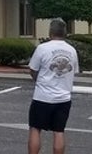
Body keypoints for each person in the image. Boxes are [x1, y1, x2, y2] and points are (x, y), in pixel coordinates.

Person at [27, 18, 79, 154]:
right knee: (59, 131)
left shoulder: (42, 48)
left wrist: (38, 80)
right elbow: (74, 71)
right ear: (65, 33)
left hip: (42, 97)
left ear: (50, 32)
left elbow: (32, 69)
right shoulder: (72, 51)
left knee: (35, 128)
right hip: (63, 98)